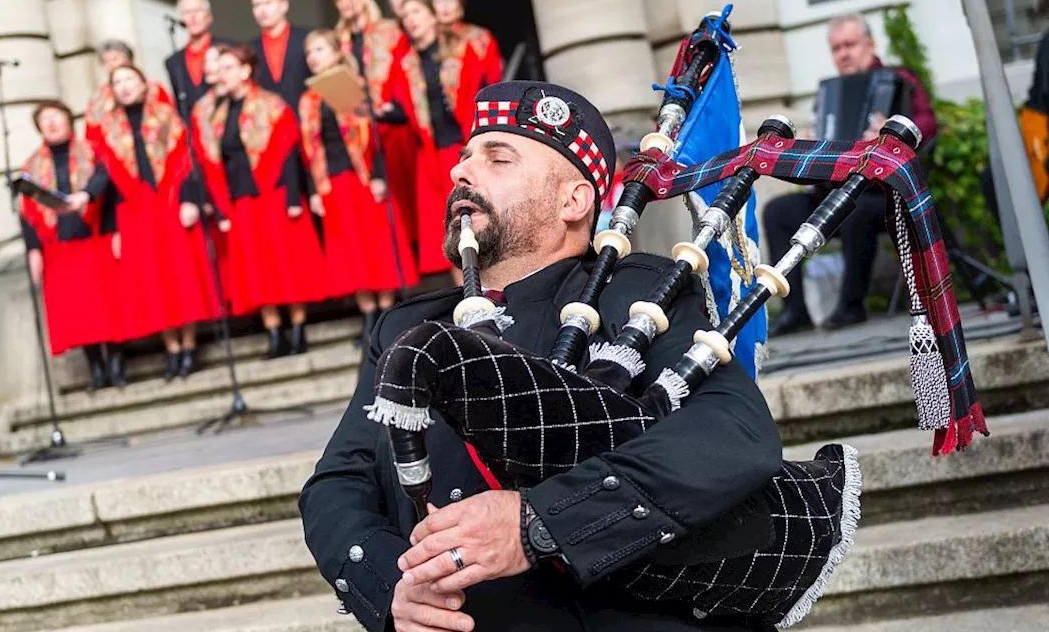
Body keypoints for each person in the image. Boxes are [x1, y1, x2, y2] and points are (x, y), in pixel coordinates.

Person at [298, 81, 782, 631]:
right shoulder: (407, 327)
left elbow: (733, 434)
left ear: (572, 201)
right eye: (463, 159)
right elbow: (337, 485)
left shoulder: (640, 294)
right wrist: (392, 589)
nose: (461, 172)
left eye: (497, 158)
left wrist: (536, 523)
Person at [763, 11, 937, 335]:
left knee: (856, 211)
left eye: (850, 45)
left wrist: (894, 134)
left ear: (870, 44)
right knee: (778, 212)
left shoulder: (898, 80)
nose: (843, 54)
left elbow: (928, 122)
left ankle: (852, 305)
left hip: (884, 196)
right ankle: (795, 310)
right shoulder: (830, 93)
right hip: (833, 191)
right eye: (836, 48)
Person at [84, 64, 221, 379]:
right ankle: (171, 348)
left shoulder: (167, 116)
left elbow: (188, 160)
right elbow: (105, 177)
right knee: (151, 281)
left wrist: (191, 199)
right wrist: (108, 223)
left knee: (180, 275)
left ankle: (189, 346)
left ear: (144, 83)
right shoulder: (109, 131)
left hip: (170, 203)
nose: (125, 86)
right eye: (117, 82)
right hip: (134, 210)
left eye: (130, 79)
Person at [192, 45, 328, 358]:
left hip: (275, 193)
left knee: (286, 263)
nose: (221, 75)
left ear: (244, 71)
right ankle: (274, 334)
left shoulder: (271, 105)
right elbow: (214, 162)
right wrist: (221, 206)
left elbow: (290, 154)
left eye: (227, 68)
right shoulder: (216, 114)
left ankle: (297, 329)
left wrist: (294, 197)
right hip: (241, 200)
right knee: (256, 269)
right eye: (220, 69)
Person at [299, 29, 420, 346]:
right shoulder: (308, 99)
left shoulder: (353, 87)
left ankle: (386, 313)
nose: (314, 57)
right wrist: (313, 190)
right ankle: (367, 317)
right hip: (332, 181)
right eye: (309, 52)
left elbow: (376, 136)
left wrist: (379, 174)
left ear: (337, 52)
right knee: (349, 249)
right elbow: (307, 149)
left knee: (375, 242)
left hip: (363, 176)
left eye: (320, 49)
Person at [18, 100, 124, 390]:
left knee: (107, 304)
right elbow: (27, 212)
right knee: (79, 311)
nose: (51, 123)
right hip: (60, 246)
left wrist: (113, 228)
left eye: (56, 116)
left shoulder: (91, 152)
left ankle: (116, 362)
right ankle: (96, 368)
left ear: (68, 119)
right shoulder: (32, 167)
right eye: (45, 119)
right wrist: (33, 249)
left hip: (94, 236)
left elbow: (109, 187)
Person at [399, 0, 486, 279]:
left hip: (463, 143)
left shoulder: (461, 49)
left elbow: (481, 90)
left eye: (417, 11)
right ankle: (465, 292)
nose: (411, 19)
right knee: (449, 225)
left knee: (481, 215)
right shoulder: (406, 64)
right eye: (405, 15)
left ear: (432, 15)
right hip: (431, 153)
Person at [332, 0, 419, 251]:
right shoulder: (338, 40)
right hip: (358, 128)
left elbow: (406, 68)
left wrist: (390, 103)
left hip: (392, 124)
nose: (346, 3)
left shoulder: (389, 31)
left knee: (406, 199)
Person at [164, 0, 236, 125]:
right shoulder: (174, 62)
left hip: (230, 122)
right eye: (187, 12)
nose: (192, 17)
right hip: (195, 131)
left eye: (197, 11)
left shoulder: (230, 48)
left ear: (209, 17)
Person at [428, 0, 504, 87]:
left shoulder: (479, 36)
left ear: (460, 6)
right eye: (439, 0)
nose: (445, 6)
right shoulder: (425, 39)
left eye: (450, 0)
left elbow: (494, 78)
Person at [250, 0, 312, 112]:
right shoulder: (251, 49)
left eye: (268, 3)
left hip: (309, 118)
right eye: (256, 5)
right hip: (272, 123)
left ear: (284, 5)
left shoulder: (306, 39)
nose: (262, 10)